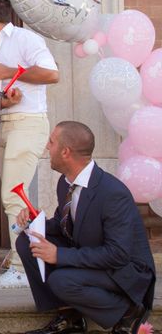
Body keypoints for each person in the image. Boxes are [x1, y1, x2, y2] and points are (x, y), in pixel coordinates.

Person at [17, 121, 155, 334]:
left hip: (126, 271)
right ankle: (69, 318)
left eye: (51, 142)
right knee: (27, 241)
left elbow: (118, 254)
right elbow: (65, 226)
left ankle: (128, 312)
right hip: (96, 256)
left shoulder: (112, 193)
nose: (47, 147)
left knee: (62, 281)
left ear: (65, 152)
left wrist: (59, 255)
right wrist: (34, 222)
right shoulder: (65, 182)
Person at [0, 0, 59, 288]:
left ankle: (23, 269)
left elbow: (51, 74)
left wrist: (12, 72)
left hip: (28, 124)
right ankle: (23, 259)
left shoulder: (25, 39)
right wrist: (7, 100)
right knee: (11, 195)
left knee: (14, 194)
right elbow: (1, 94)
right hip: (3, 124)